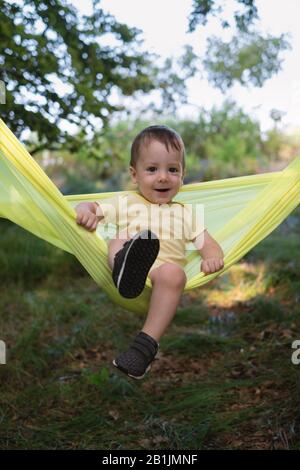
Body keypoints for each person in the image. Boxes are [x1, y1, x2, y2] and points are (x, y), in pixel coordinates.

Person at [75, 125, 224, 380]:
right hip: (126, 258)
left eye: (172, 170)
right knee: (121, 237)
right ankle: (123, 266)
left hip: (158, 273)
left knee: (174, 274)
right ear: (135, 174)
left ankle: (143, 350)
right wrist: (86, 211)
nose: (163, 177)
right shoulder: (126, 201)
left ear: (182, 175)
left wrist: (212, 257)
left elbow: (208, 243)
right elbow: (90, 206)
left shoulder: (186, 213)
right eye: (152, 169)